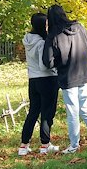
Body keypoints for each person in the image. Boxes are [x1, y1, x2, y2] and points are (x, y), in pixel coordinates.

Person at [43, 4, 87, 153]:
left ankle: (74, 145)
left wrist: (59, 62)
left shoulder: (54, 35)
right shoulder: (79, 27)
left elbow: (47, 62)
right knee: (86, 109)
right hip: (85, 75)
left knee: (73, 112)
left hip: (67, 77)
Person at [18, 13, 60, 156]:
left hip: (33, 79)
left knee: (33, 111)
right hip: (47, 79)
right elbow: (45, 65)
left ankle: (24, 145)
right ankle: (45, 144)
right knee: (47, 113)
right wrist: (56, 68)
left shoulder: (28, 39)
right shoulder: (42, 43)